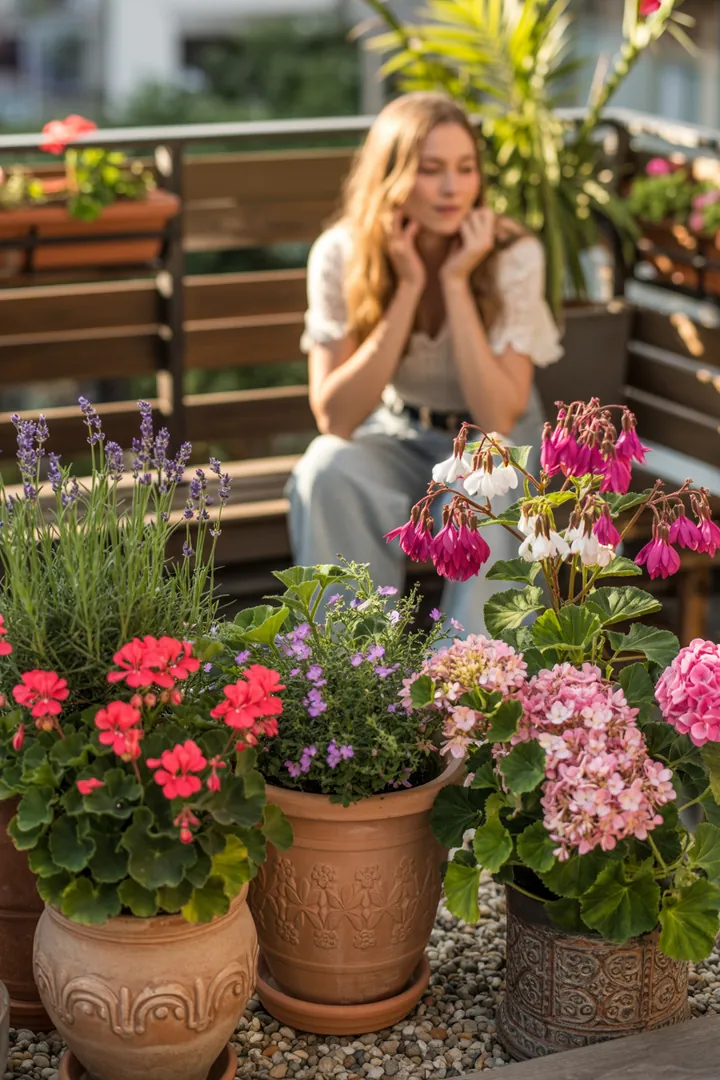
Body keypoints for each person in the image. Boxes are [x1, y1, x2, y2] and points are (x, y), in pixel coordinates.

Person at [287, 91, 563, 631]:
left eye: (465, 169)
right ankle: (351, 671)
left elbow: (498, 417)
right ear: (390, 175)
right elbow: (336, 418)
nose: (452, 188)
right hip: (397, 434)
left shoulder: (513, 255)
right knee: (325, 468)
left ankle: (471, 678)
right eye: (430, 169)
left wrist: (456, 282)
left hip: (493, 446)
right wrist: (409, 287)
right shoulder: (341, 253)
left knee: (494, 468)